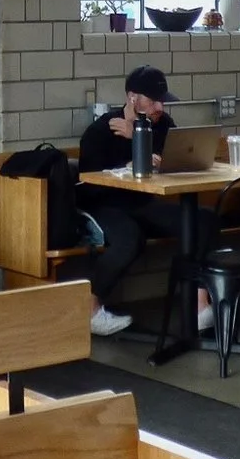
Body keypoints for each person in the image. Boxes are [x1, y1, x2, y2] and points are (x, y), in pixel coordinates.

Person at [74, 67, 184, 338]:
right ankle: (90, 310)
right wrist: (131, 162)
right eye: (153, 100)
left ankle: (199, 304)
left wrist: (138, 137)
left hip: (145, 202)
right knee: (129, 238)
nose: (160, 107)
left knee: (200, 221)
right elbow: (89, 183)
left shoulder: (164, 125)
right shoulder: (101, 131)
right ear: (132, 98)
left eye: (162, 101)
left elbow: (179, 161)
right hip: (105, 204)